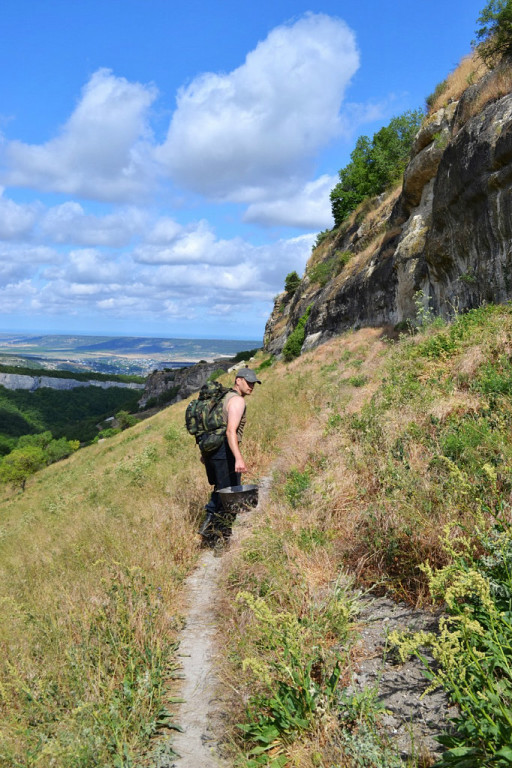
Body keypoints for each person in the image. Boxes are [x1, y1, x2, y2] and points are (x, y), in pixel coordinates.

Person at [198, 367, 261, 547]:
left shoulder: (221, 398)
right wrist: (238, 458)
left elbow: (209, 427)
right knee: (230, 497)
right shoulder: (237, 401)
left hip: (212, 451)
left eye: (254, 383)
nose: (251, 386)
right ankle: (220, 539)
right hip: (225, 453)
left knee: (221, 491)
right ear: (238, 380)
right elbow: (230, 431)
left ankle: (209, 532)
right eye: (248, 382)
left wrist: (205, 453)